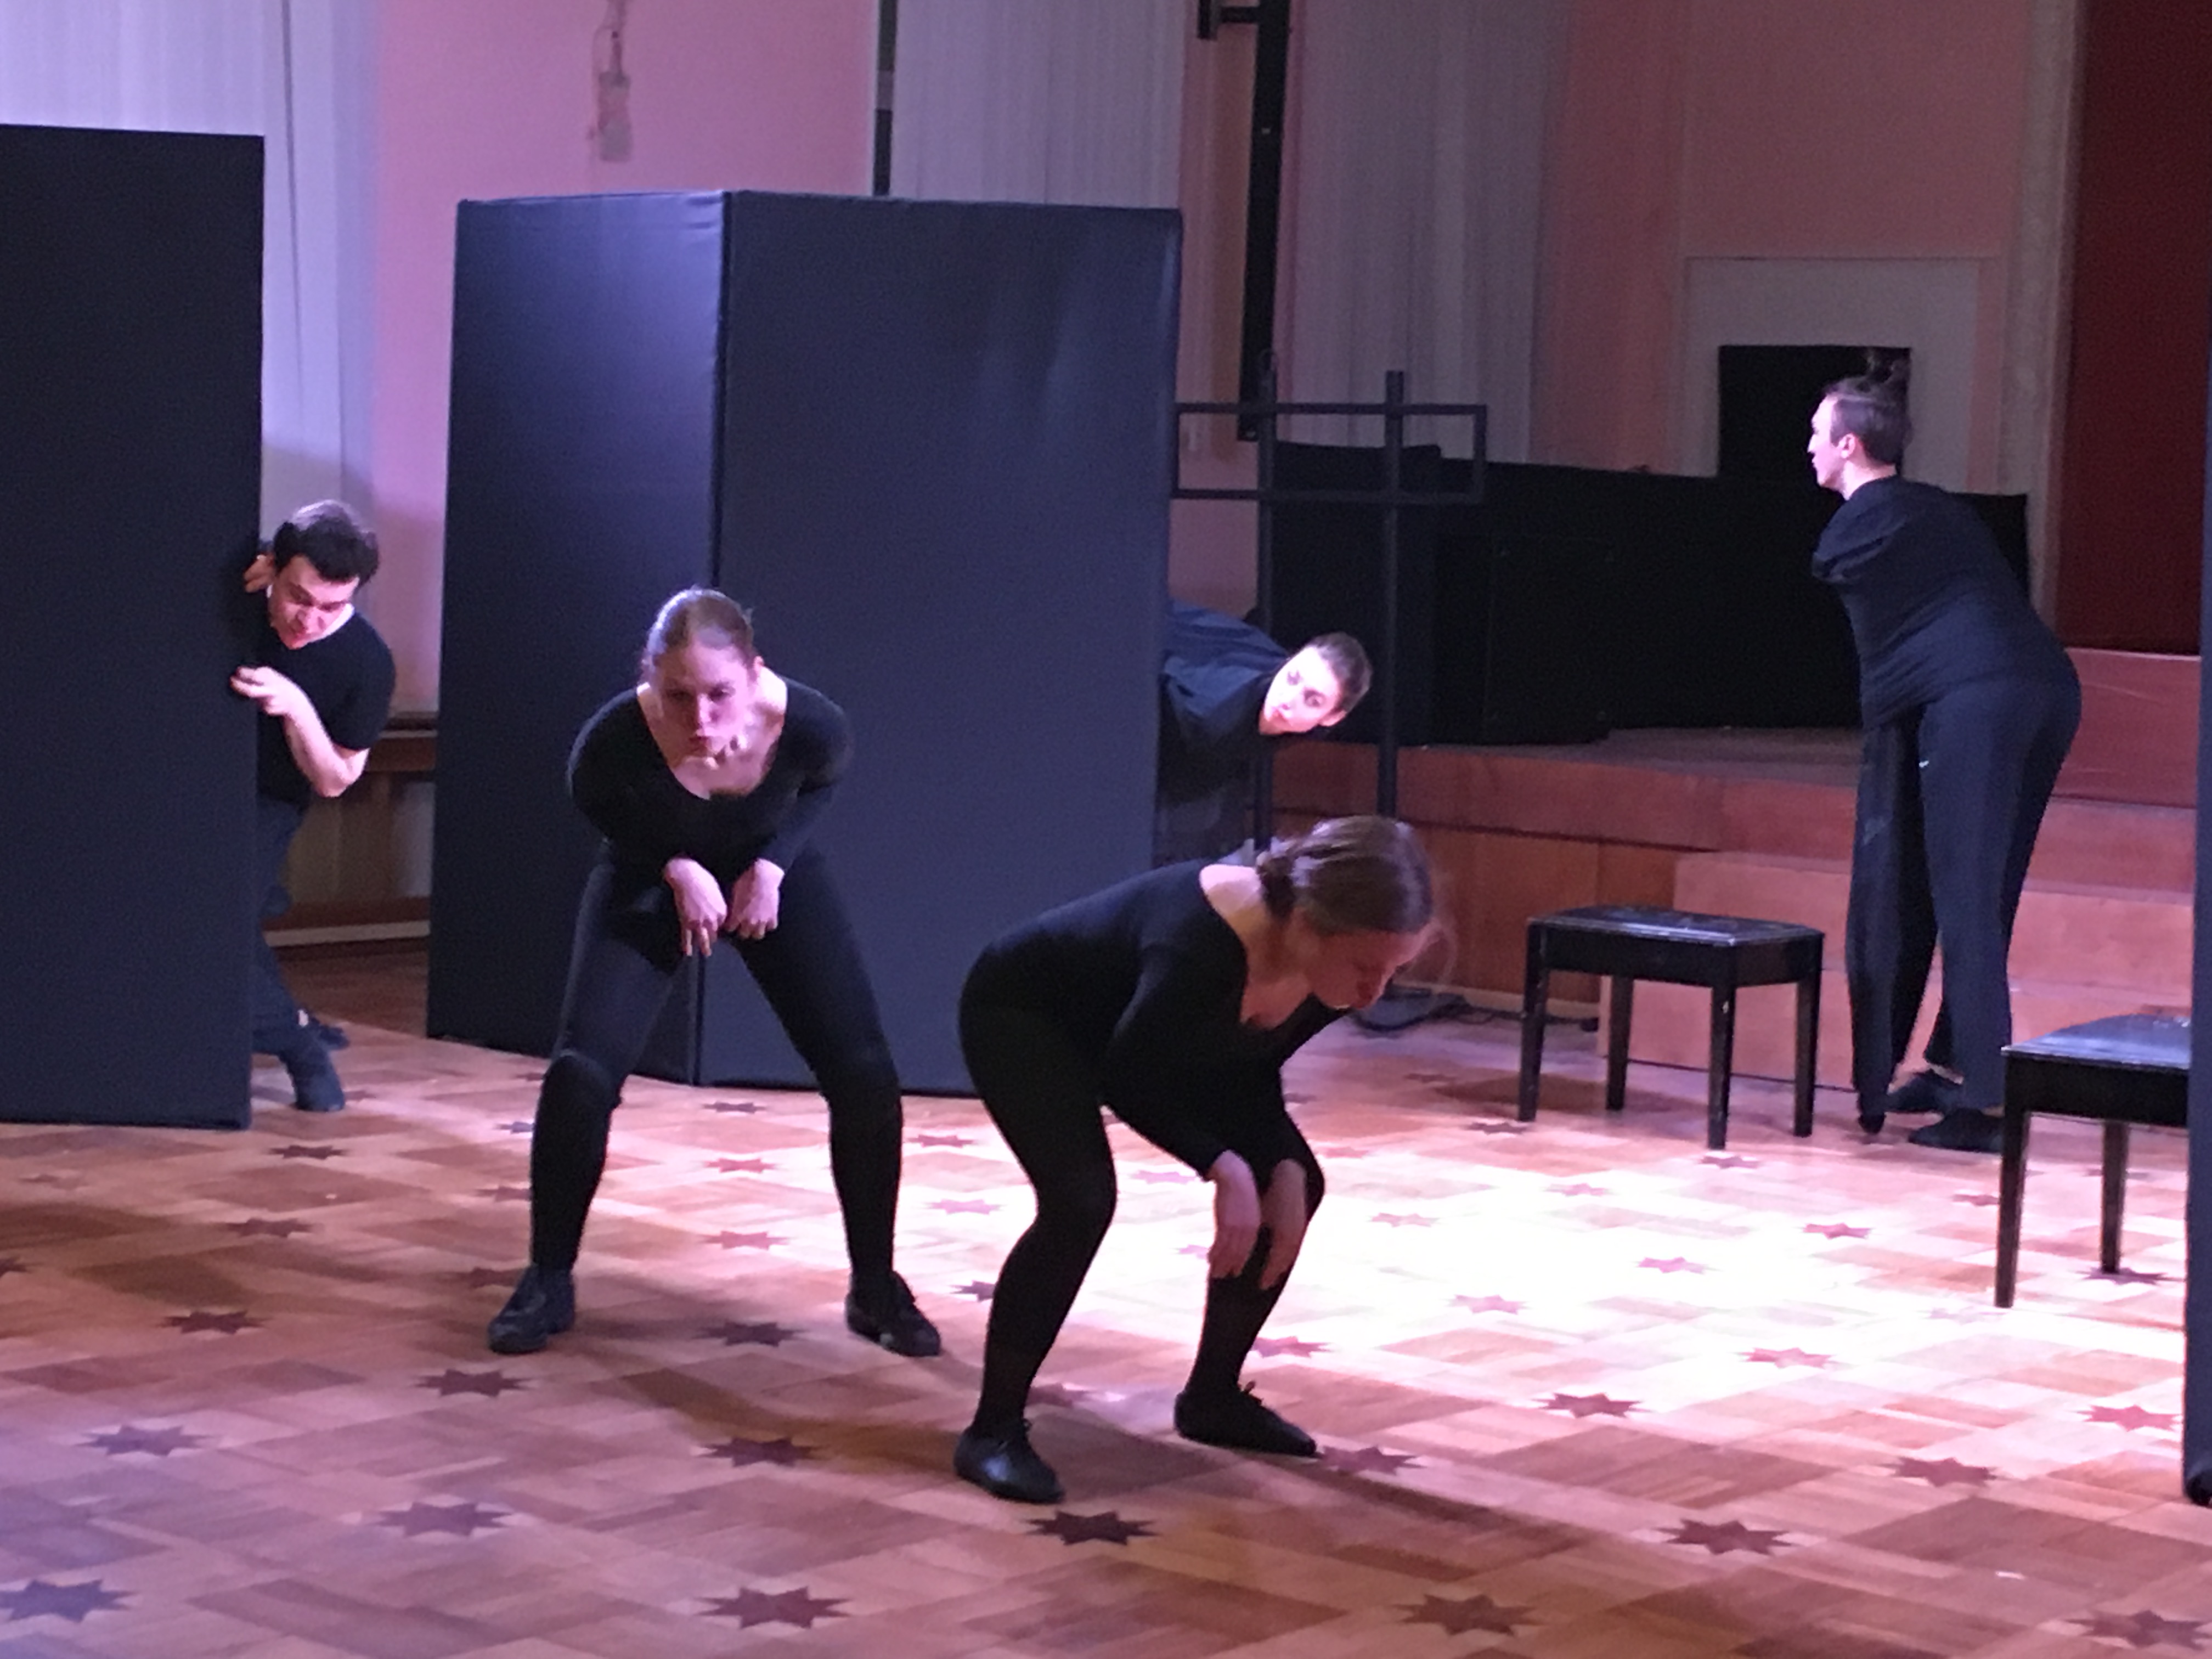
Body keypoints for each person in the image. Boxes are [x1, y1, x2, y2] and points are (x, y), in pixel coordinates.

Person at [487, 588, 939, 1359]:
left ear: (755, 674)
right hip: (649, 872)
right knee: (579, 1073)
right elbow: (592, 798)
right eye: (679, 696)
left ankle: (875, 1286)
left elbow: (823, 780)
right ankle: (547, 1278)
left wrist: (774, 864)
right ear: (651, 678)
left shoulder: (810, 724)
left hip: (764, 874)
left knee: (864, 1072)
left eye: (720, 695)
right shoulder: (616, 740)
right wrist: (672, 863)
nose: (700, 719)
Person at [952, 815, 1434, 1503]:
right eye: (1365, 967)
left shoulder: (1323, 969)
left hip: (1145, 1035)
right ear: (1306, 924)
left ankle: (1213, 1399)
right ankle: (992, 1430)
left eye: (1394, 971)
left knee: (1295, 1184)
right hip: (1029, 1016)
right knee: (1080, 1203)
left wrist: (1282, 1165)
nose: (1374, 994)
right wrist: (1221, 1165)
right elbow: (1128, 1076)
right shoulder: (1200, 943)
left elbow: (1247, 1069)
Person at [1807, 359, 2080, 1153]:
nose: (1809, 448)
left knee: (1963, 893)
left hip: (1978, 702)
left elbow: (1880, 652)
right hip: (2046, 690)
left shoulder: (1861, 525)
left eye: (1817, 435)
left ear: (1850, 446)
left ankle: (1987, 1105)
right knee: (1984, 888)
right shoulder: (1937, 508)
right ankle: (1959, 1067)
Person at [230, 501, 396, 1112]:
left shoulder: (366, 661)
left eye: (331, 606)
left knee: (219, 924)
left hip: (270, 799)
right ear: (275, 567)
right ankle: (295, 1024)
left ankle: (300, 1045)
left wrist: (296, 708)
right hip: (192, 781)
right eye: (299, 597)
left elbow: (335, 780)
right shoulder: (241, 592)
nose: (311, 619)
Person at [1154, 601, 1372, 864]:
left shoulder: (1298, 723)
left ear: (1331, 718)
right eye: (1292, 677)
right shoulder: (1209, 709)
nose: (1287, 699)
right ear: (1289, 661)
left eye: (1312, 700)